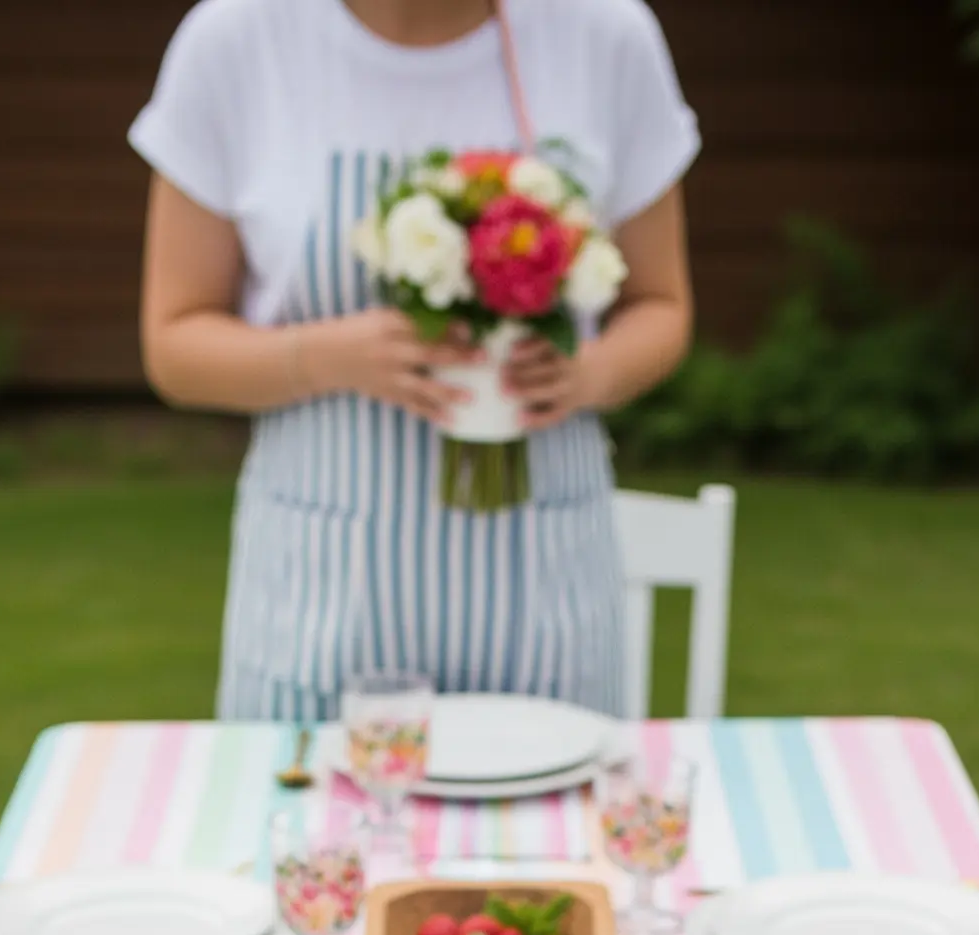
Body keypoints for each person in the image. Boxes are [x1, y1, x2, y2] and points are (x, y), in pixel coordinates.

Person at [129, 0, 697, 720]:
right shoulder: (238, 40)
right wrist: (324, 357)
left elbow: (662, 307)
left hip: (547, 616)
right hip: (319, 619)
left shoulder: (603, 36)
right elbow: (175, 344)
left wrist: (590, 374)